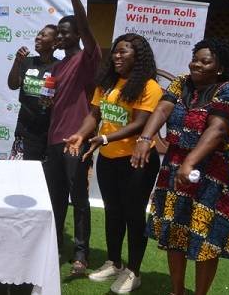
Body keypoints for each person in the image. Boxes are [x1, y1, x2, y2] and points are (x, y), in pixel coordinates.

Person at [132, 38, 229, 295]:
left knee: (207, 239)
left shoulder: (228, 92)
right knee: (174, 231)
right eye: (195, 59)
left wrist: (190, 161)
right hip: (174, 167)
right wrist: (145, 138)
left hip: (212, 175)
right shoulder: (182, 83)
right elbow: (162, 109)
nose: (197, 65)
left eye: (205, 61)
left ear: (220, 68)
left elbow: (218, 129)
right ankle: (177, 291)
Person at [64, 34, 162, 293]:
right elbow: (94, 114)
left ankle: (134, 272)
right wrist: (81, 134)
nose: (117, 57)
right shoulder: (107, 83)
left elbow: (140, 123)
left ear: (137, 56)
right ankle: (115, 263)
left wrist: (105, 137)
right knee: (113, 212)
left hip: (136, 162)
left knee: (133, 215)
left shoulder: (149, 86)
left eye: (123, 52)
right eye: (115, 52)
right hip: (107, 159)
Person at [43, 0, 102, 275]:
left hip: (75, 139)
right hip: (54, 140)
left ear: (79, 34)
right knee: (55, 200)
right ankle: (53, 248)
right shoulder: (57, 65)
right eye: (60, 34)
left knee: (78, 198)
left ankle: (81, 255)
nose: (62, 37)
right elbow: (53, 99)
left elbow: (87, 26)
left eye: (68, 33)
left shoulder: (87, 57)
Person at [7, 25, 59, 160]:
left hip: (47, 130)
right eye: (39, 34)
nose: (38, 37)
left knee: (42, 174)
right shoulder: (27, 62)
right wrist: (17, 62)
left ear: (54, 43)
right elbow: (13, 85)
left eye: (44, 35)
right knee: (21, 173)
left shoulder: (59, 67)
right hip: (25, 127)